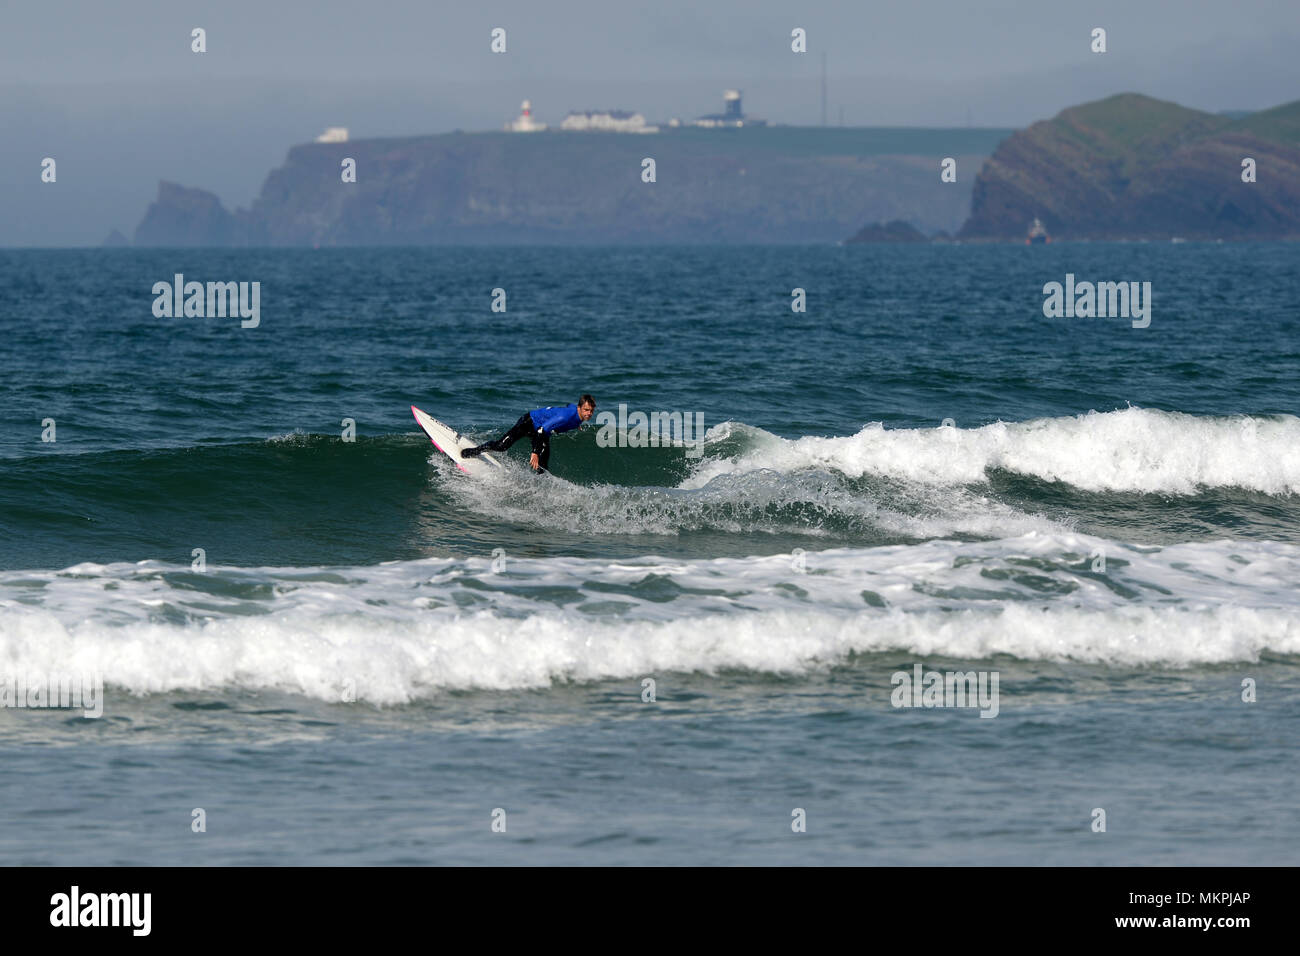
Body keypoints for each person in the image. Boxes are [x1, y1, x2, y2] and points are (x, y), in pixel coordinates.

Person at [462, 394, 595, 472]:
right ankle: (474, 451)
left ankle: (540, 487)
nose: (589, 414)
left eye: (591, 411)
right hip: (529, 423)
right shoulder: (564, 417)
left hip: (543, 429)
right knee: (501, 446)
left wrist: (576, 422)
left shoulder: (576, 413)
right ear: (580, 408)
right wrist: (534, 452)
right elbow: (541, 430)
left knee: (543, 464)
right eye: (586, 410)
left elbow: (569, 405)